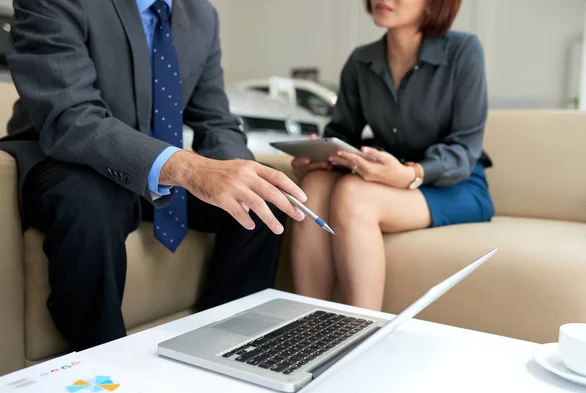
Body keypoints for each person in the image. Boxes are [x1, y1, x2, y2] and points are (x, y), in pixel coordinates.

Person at [0, 0, 308, 351]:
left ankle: (225, 350)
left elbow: (215, 121)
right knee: (91, 203)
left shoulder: (200, 14)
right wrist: (189, 168)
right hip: (67, 158)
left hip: (155, 167)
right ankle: (107, 364)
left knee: (260, 201)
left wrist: (240, 175)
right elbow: (72, 118)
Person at [290, 0, 494, 311]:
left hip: (454, 183)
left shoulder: (463, 50)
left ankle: (361, 332)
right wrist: (321, 155)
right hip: (386, 179)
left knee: (354, 195)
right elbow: (343, 132)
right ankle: (306, 327)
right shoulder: (362, 61)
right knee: (315, 185)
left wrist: (412, 173)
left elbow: (465, 147)